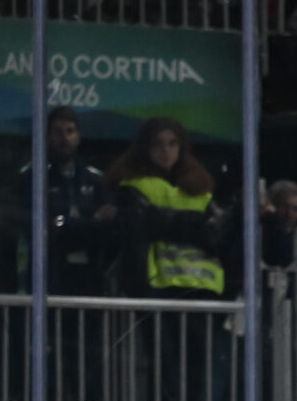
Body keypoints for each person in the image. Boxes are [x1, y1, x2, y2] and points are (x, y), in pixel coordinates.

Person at [103, 116, 224, 300]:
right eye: (157, 144)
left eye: (172, 144)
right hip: (153, 287)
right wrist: (195, 222)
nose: (165, 151)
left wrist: (162, 219)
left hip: (201, 288)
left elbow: (216, 233)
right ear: (146, 148)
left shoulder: (200, 189)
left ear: (181, 148)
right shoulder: (133, 186)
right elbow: (139, 225)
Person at [31, 104, 118, 294]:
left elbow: (110, 229)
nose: (64, 138)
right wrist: (92, 222)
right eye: (58, 132)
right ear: (45, 136)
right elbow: (51, 233)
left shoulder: (96, 180)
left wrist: (73, 227)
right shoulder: (33, 179)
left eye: (70, 131)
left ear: (78, 137)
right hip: (49, 282)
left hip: (91, 281)